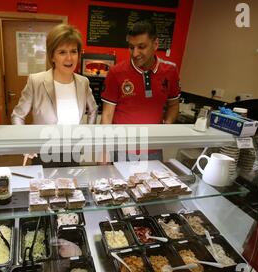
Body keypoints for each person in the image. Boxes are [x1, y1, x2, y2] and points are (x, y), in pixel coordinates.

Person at [11, 24, 97, 166]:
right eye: (62, 52)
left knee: (71, 187)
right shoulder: (36, 81)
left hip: (72, 151)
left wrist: (87, 136)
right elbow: (17, 115)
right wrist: (25, 144)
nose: (69, 58)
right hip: (43, 151)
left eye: (73, 51)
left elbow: (93, 110)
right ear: (52, 56)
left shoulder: (83, 82)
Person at [100, 20, 181, 161]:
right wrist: (104, 151)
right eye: (131, 47)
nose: (135, 53)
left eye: (141, 47)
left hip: (153, 149)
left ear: (155, 44)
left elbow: (174, 104)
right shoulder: (116, 72)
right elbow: (107, 115)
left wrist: (166, 126)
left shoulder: (170, 71)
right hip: (121, 149)